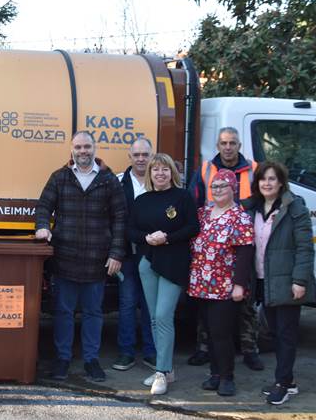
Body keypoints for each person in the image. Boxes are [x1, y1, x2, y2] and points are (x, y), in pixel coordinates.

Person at [35, 131, 127, 382]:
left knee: (93, 313)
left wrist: (116, 253)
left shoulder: (109, 180)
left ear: (94, 149)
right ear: (72, 149)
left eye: (87, 146)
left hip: (97, 260)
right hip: (65, 258)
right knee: (63, 312)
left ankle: (91, 360)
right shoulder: (60, 177)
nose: (83, 151)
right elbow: (44, 206)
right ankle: (63, 359)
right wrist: (42, 226)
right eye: (78, 147)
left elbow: (120, 218)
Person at [188, 127, 263, 371]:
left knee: (245, 300)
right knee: (207, 306)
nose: (228, 147)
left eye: (232, 143)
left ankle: (249, 349)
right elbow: (194, 200)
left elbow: (266, 199)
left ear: (239, 145)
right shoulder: (206, 169)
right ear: (218, 146)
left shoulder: (254, 169)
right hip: (213, 251)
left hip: (244, 243)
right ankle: (204, 349)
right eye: (223, 143)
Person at [243, 161, 316, 405]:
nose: (267, 183)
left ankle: (282, 383)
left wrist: (299, 280)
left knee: (285, 335)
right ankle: (289, 381)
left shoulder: (295, 208)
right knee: (273, 332)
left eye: (272, 179)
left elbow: (305, 248)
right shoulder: (252, 207)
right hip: (263, 280)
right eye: (263, 179)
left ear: (281, 182)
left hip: (287, 282)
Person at [128, 153, 199, 395]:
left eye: (165, 169)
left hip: (174, 263)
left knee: (163, 315)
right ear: (150, 174)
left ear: (172, 173)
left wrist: (167, 238)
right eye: (155, 170)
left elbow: (193, 227)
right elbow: (131, 229)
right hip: (148, 262)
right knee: (154, 318)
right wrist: (146, 238)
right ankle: (166, 371)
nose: (160, 173)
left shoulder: (183, 197)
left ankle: (161, 371)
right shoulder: (142, 200)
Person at [188, 169, 255, 397]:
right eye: (214, 186)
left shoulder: (239, 216)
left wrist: (239, 284)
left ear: (233, 189)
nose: (217, 190)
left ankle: (227, 377)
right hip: (202, 284)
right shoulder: (204, 214)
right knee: (208, 330)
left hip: (224, 286)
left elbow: (246, 254)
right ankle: (215, 374)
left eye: (222, 186)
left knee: (221, 333)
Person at [112, 137, 157, 372]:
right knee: (127, 303)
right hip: (127, 255)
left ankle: (151, 352)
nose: (141, 158)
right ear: (129, 157)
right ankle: (126, 353)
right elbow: (111, 219)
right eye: (136, 154)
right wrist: (115, 253)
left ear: (152, 156)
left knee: (152, 305)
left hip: (153, 255)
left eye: (145, 154)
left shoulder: (159, 181)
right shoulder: (118, 182)